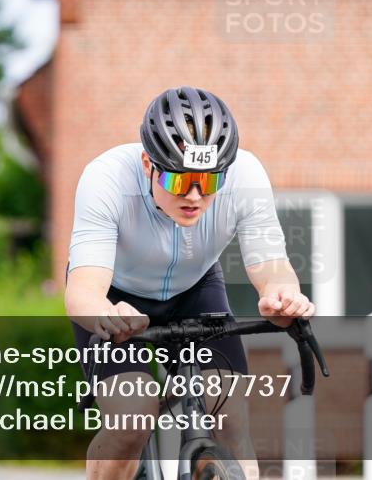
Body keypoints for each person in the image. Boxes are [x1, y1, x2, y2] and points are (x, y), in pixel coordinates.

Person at [66, 86, 314, 480]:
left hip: (195, 289)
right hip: (115, 297)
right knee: (131, 419)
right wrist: (106, 314)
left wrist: (282, 294)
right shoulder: (106, 178)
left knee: (230, 416)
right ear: (148, 164)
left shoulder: (246, 175)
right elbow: (83, 291)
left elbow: (273, 267)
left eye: (209, 182)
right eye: (180, 181)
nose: (195, 196)